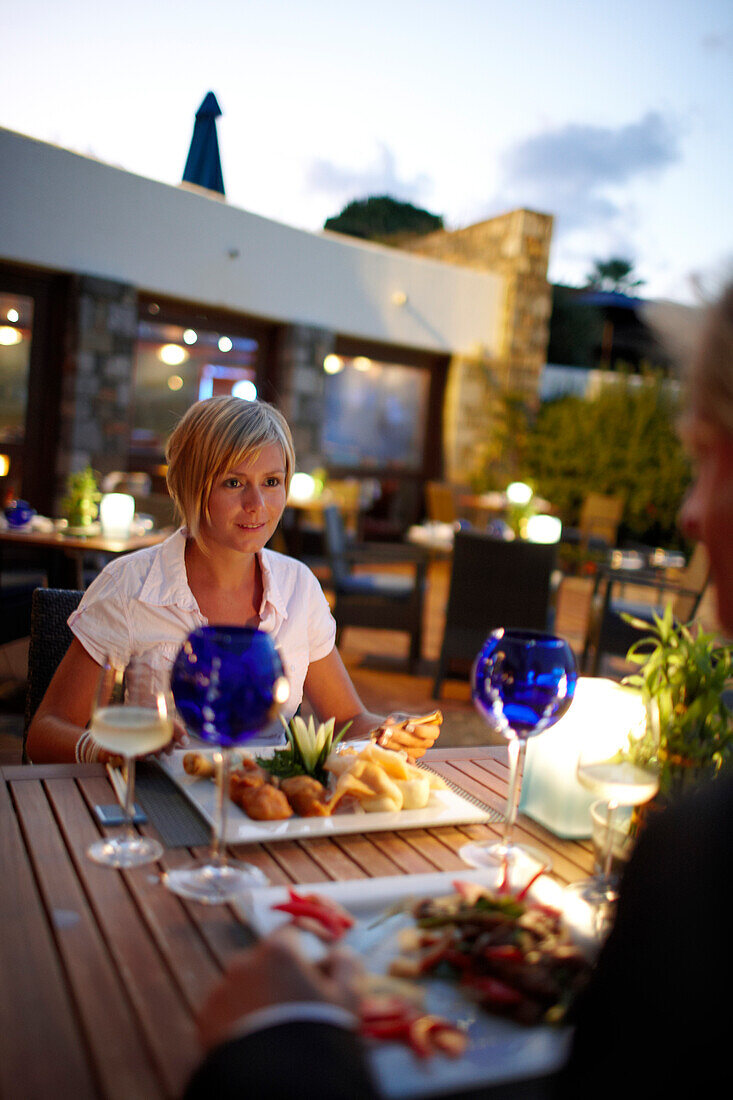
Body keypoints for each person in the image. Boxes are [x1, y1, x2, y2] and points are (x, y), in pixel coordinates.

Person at [182, 282, 733, 1099]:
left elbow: (351, 718)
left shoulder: (701, 857)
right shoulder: (695, 850)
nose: (687, 511)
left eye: (708, 455)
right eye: (233, 482)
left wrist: (280, 1041)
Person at [26, 397, 439, 765]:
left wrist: (390, 731)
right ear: (192, 485)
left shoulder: (299, 587)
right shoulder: (130, 586)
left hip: (265, 813)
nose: (256, 505)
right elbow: (44, 734)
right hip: (160, 809)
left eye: (271, 482)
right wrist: (108, 750)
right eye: (234, 482)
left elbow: (349, 719)